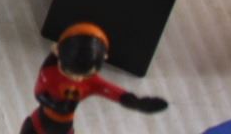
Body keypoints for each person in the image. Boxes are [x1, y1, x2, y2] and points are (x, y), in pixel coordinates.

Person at [21, 23, 168, 133]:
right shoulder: (50, 74)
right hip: (38, 125)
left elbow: (113, 92)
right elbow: (39, 93)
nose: (76, 78)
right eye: (69, 71)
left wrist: (135, 102)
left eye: (84, 74)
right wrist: (55, 104)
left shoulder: (90, 82)